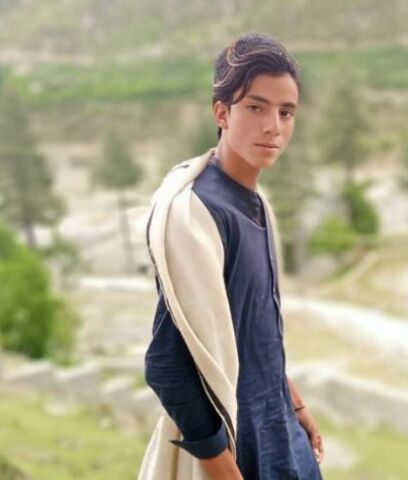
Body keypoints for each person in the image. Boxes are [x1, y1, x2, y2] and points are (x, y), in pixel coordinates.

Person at [139, 32, 324, 480]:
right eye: (256, 108)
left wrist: (295, 404)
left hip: (282, 433)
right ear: (222, 113)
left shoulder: (256, 204)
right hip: (241, 446)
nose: (273, 126)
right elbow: (168, 365)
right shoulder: (198, 214)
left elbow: (251, 333)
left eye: (286, 112)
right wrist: (224, 471)